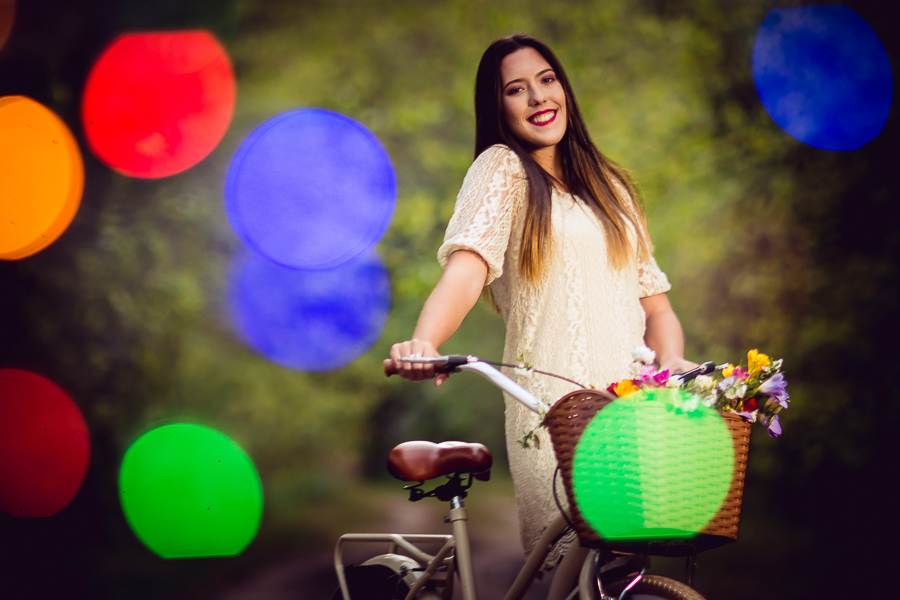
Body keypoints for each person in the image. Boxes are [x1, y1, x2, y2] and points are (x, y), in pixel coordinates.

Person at [388, 33, 697, 590]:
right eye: (516, 89)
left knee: (623, 568)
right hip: (555, 415)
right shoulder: (502, 170)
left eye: (547, 80)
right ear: (498, 107)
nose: (537, 97)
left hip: (627, 413)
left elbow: (658, 307)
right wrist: (424, 343)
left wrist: (673, 360)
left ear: (564, 88)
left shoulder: (612, 190)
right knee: (578, 567)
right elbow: (466, 271)